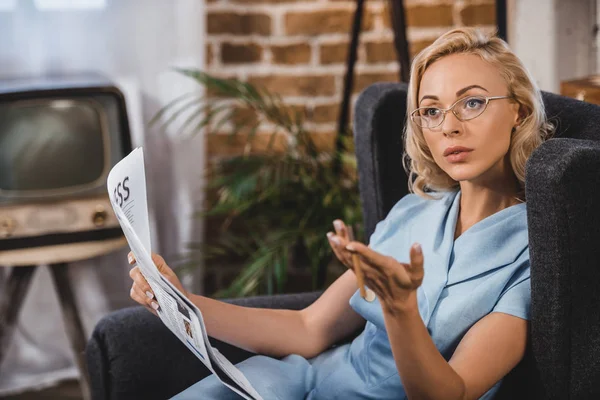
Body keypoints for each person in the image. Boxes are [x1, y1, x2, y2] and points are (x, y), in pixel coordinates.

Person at [128, 27, 553, 399]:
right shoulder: (413, 213)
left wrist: (400, 308)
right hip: (295, 382)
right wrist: (180, 303)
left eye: (473, 103)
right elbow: (309, 328)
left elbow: (451, 393)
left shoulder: (536, 257)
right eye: (431, 110)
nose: (450, 127)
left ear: (518, 110)